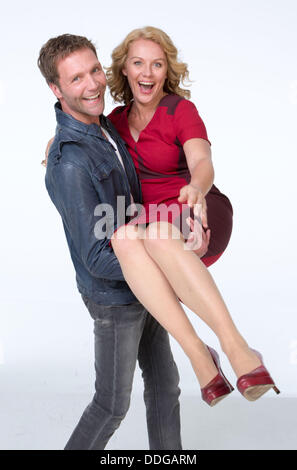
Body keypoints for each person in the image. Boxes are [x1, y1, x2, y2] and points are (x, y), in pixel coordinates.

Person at [104, 26, 280, 406]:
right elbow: (83, 134)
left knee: (155, 235)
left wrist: (196, 189)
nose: (147, 73)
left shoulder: (180, 111)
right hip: (151, 221)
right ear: (125, 70)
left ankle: (237, 349)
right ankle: (200, 357)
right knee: (122, 237)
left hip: (196, 208)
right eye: (138, 63)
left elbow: (202, 161)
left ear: (167, 72)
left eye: (157, 64)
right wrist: (58, 137)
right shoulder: (115, 121)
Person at [38, 34, 183, 450]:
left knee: (165, 385)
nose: (92, 84)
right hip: (115, 295)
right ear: (56, 88)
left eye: (95, 70)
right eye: (76, 78)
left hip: (145, 280)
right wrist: (165, 263)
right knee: (111, 404)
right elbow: (97, 256)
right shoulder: (69, 162)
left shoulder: (106, 127)